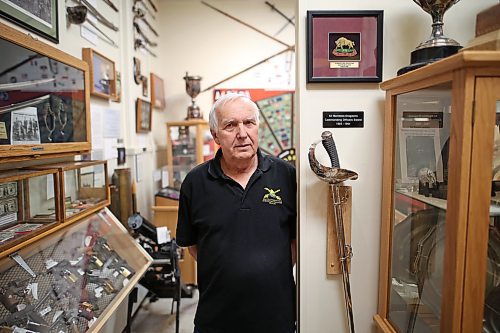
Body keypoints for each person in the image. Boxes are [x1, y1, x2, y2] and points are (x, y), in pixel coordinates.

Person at [176, 93, 297, 333]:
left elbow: (295, 242)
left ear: (257, 128)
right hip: (217, 320)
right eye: (230, 125)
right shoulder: (195, 182)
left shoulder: (287, 176)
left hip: (276, 319)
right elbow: (194, 247)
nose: (242, 133)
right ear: (215, 135)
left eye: (249, 123)